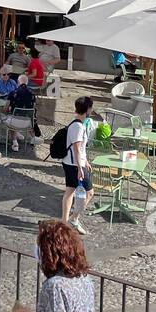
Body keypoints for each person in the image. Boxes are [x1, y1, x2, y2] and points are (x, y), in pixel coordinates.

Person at [60, 96, 94, 233]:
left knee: (69, 192)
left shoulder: (75, 123)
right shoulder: (78, 127)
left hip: (71, 163)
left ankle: (65, 222)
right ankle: (73, 219)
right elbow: (76, 148)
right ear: (87, 110)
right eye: (91, 108)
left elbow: (79, 149)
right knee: (89, 193)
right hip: (75, 165)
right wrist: (81, 167)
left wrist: (85, 161)